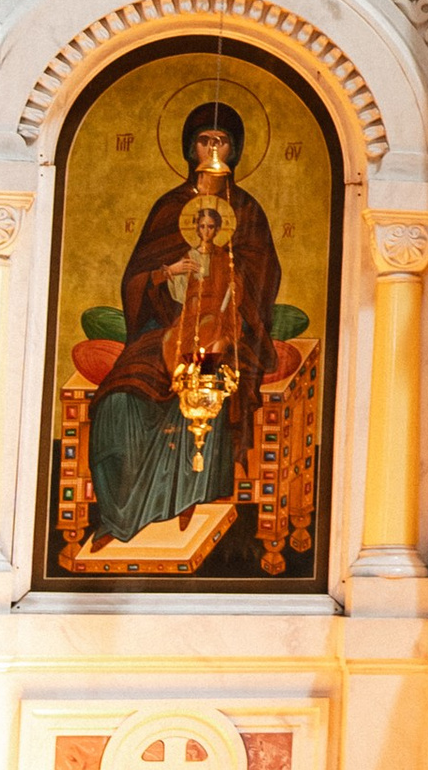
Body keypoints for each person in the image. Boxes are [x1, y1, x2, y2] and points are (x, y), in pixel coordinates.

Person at [79, 99, 281, 562]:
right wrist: (164, 273)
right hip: (163, 329)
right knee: (118, 400)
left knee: (210, 384)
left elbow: (264, 275)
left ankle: (191, 497)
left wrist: (232, 281)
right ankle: (119, 515)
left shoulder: (246, 210)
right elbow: (136, 277)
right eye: (204, 140)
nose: (213, 149)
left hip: (224, 331)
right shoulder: (170, 207)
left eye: (222, 141)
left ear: (235, 150)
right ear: (190, 148)